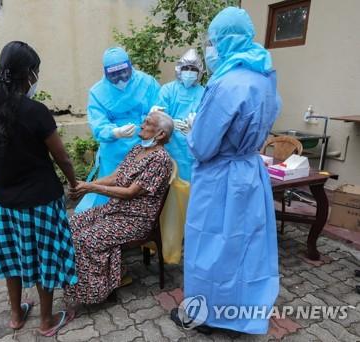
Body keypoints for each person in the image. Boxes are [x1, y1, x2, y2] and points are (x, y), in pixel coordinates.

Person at [171, 7, 281, 334]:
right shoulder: (264, 77)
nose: (210, 48)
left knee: (210, 247)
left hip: (220, 176)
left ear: (225, 40)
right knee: (244, 245)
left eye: (213, 41)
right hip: (250, 170)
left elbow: (203, 146)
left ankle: (207, 315)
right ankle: (241, 315)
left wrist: (192, 128)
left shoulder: (225, 83)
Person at [0, 41, 78, 336]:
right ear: (28, 74)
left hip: (6, 204)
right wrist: (74, 182)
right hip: (43, 200)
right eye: (35, 72)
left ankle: (15, 316)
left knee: (13, 257)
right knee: (45, 258)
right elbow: (61, 156)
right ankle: (46, 321)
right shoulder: (36, 111)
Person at [65, 111, 173, 305]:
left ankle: (98, 289)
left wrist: (90, 187)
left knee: (87, 238)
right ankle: (114, 274)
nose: (141, 125)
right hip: (114, 210)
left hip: (135, 219)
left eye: (147, 123)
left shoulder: (160, 159)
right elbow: (116, 177)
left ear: (161, 135)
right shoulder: (138, 149)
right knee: (71, 225)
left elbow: (131, 192)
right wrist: (85, 186)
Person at [75, 47, 161, 213]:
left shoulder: (147, 82)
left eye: (123, 72)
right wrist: (115, 132)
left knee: (142, 189)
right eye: (113, 75)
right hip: (114, 149)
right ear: (105, 73)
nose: (120, 78)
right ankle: (109, 221)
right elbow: (98, 123)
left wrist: (156, 113)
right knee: (112, 188)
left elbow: (159, 107)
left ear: (130, 66)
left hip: (145, 143)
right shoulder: (97, 92)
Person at [154, 48, 205, 181]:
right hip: (170, 143)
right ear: (179, 69)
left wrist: (194, 127)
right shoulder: (168, 89)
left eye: (193, 69)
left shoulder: (204, 93)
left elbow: (208, 120)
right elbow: (158, 116)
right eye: (186, 68)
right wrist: (170, 122)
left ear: (199, 72)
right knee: (167, 183)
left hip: (192, 147)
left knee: (188, 185)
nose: (189, 72)